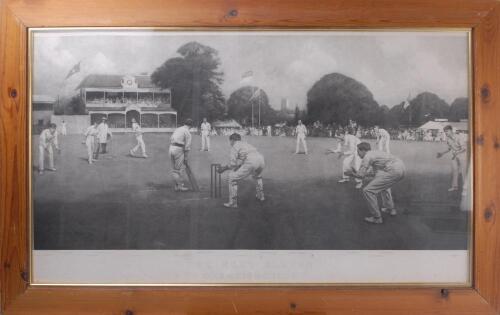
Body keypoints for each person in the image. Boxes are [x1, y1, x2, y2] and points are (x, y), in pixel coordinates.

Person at [346, 142, 405, 224]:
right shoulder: (375, 153)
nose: (357, 153)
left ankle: (377, 217)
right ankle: (390, 209)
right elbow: (372, 173)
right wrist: (356, 172)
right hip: (401, 167)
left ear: (363, 150)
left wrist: (351, 174)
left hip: (393, 170)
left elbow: (361, 175)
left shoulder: (367, 157)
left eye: (358, 151)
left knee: (368, 190)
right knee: (383, 184)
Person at [217, 133, 265, 208]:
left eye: (230, 141)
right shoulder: (245, 144)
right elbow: (240, 162)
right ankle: (260, 196)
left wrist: (223, 168)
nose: (230, 143)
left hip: (251, 161)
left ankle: (233, 203)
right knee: (257, 176)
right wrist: (237, 167)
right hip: (261, 159)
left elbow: (233, 164)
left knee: (231, 177)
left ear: (232, 140)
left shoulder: (234, 146)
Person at [437, 125, 468, 194]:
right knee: (454, 170)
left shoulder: (459, 137)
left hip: (462, 154)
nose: (446, 133)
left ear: (451, 130)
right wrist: (442, 153)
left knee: (463, 172)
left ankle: (466, 189)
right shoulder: (448, 139)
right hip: (454, 155)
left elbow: (464, 148)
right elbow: (449, 148)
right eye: (445, 132)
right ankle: (455, 187)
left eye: (447, 131)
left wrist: (456, 153)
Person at [169, 119, 193, 192]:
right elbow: (187, 147)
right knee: (177, 170)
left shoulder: (178, 129)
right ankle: (180, 186)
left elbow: (171, 138)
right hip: (178, 150)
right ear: (191, 126)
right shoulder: (188, 132)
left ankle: (177, 186)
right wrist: (185, 158)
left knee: (175, 168)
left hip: (171, 148)